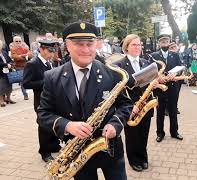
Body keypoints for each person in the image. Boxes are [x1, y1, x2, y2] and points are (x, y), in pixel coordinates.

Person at [37, 22, 132, 180]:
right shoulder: (52, 77)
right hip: (77, 153)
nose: (86, 50)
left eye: (90, 44)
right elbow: (43, 114)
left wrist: (115, 124)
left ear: (96, 44)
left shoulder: (112, 72)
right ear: (67, 45)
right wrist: (68, 125)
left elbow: (126, 105)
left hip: (110, 148)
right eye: (79, 44)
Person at [114, 34, 154, 172]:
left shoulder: (146, 62)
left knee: (144, 133)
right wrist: (130, 106)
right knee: (132, 135)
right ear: (126, 46)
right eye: (134, 45)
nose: (137, 47)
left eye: (139, 44)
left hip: (146, 105)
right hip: (130, 107)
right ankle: (134, 160)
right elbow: (118, 90)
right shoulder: (118, 66)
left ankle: (143, 157)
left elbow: (149, 84)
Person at [22, 40, 61, 162]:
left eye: (53, 51)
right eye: (50, 51)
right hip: (41, 101)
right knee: (44, 127)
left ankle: (54, 146)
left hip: (53, 100)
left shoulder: (50, 63)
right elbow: (26, 83)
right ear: (42, 49)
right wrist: (46, 82)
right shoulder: (32, 64)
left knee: (54, 124)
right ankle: (45, 152)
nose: (52, 54)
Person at [151, 34, 183, 142]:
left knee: (173, 110)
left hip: (172, 86)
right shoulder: (153, 55)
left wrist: (176, 74)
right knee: (160, 111)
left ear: (169, 42)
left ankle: (174, 132)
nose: (165, 44)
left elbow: (181, 68)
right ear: (159, 43)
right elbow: (150, 70)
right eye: (162, 42)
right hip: (160, 87)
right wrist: (157, 76)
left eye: (166, 41)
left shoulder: (175, 55)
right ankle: (160, 133)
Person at [10, 35, 32, 100]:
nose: (18, 42)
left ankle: (26, 92)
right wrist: (25, 56)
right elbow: (15, 58)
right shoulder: (12, 49)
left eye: (19, 41)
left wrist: (21, 56)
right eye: (16, 41)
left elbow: (30, 55)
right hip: (19, 67)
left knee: (27, 80)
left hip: (27, 66)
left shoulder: (25, 48)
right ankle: (25, 94)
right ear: (14, 42)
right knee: (22, 81)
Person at [0, 40, 15, 107]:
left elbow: (10, 60)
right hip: (1, 72)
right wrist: (5, 64)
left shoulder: (4, 52)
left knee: (9, 85)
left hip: (8, 71)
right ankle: (1, 100)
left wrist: (10, 64)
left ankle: (8, 98)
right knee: (1, 86)